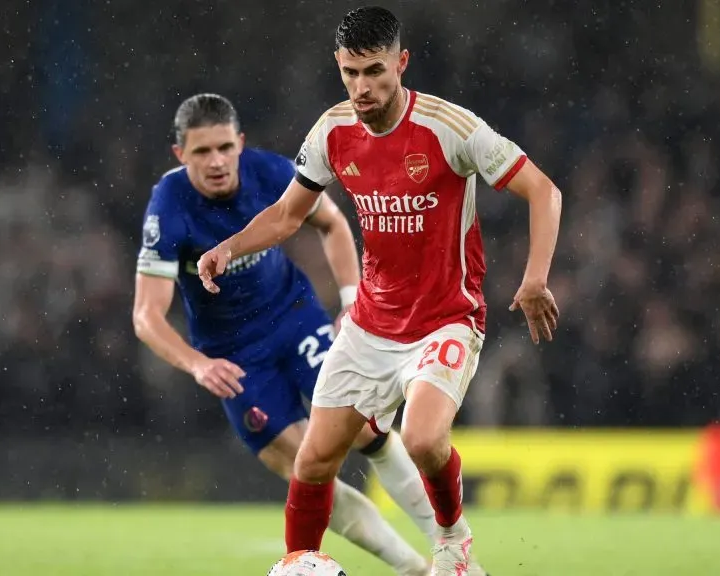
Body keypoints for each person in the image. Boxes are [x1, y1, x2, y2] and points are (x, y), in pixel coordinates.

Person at [195, 7, 562, 576]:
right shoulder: (333, 131)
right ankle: (299, 562)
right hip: (370, 325)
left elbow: (543, 191)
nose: (362, 87)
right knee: (314, 460)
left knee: (420, 437)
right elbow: (289, 214)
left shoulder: (450, 128)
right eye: (350, 73)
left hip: (446, 319)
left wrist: (535, 276)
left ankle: (453, 541)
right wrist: (229, 247)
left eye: (374, 71)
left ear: (401, 63)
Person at [132, 93, 488, 576]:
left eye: (223, 148)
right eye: (201, 152)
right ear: (180, 155)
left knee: (365, 431)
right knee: (306, 465)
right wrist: (197, 363)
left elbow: (333, 224)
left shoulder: (271, 172)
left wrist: (348, 301)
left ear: (240, 143)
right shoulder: (168, 207)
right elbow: (146, 316)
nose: (216, 162)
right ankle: (415, 569)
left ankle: (451, 557)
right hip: (235, 357)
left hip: (293, 319)